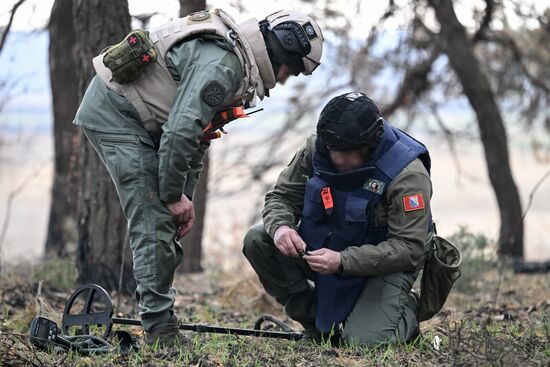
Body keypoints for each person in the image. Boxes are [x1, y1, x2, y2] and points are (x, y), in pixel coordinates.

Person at [72, 8, 324, 346]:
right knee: (154, 217)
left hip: (147, 118)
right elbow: (179, 133)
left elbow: (200, 135)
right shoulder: (225, 65)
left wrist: (183, 196)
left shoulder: (239, 62)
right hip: (117, 112)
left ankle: (159, 314)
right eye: (289, 71)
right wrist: (173, 196)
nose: (283, 80)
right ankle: (160, 329)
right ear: (281, 52)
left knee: (167, 216)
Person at [242, 92, 433, 346]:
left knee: (364, 341)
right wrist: (281, 228)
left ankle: (404, 309)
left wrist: (343, 261)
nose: (337, 159)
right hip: (325, 250)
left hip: (383, 264)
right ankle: (317, 324)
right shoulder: (318, 148)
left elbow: (410, 249)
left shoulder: (407, 175)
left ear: (371, 141)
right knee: (258, 239)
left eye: (347, 152)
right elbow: (281, 198)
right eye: (333, 150)